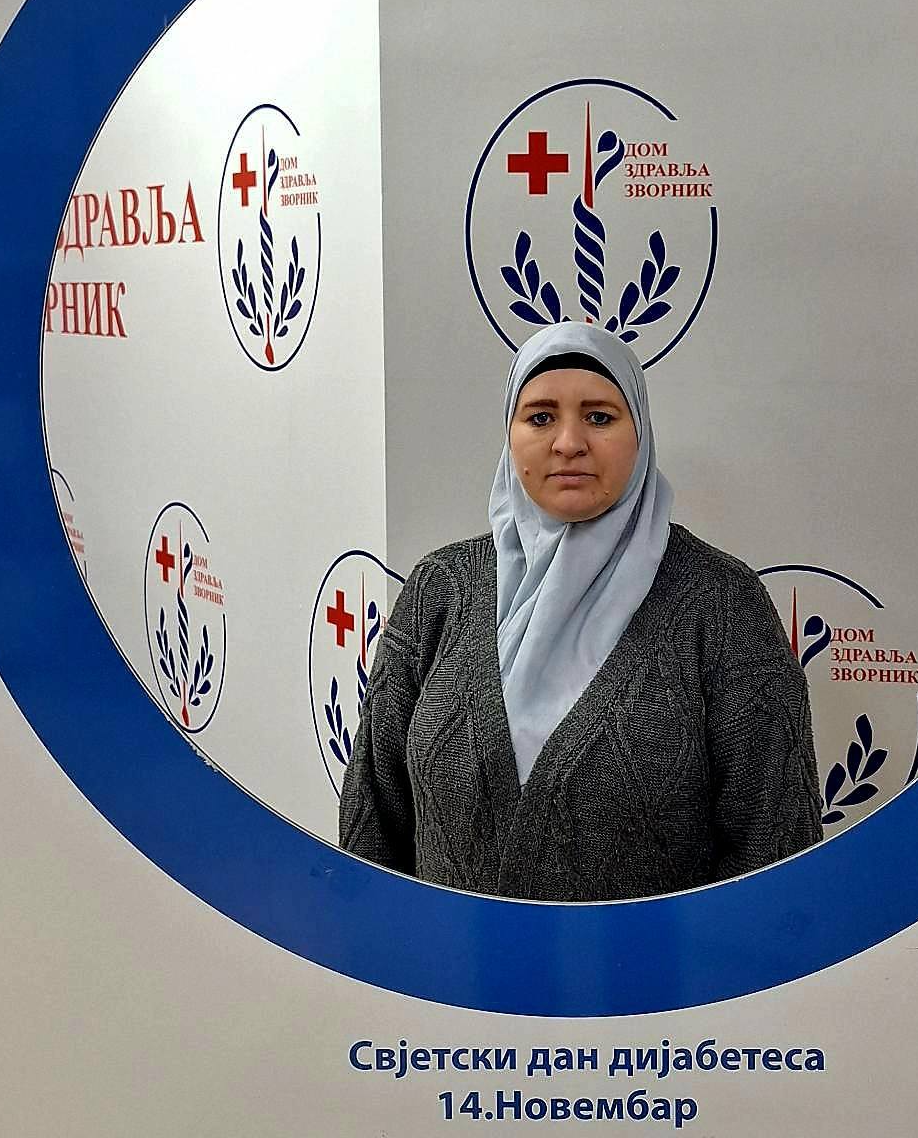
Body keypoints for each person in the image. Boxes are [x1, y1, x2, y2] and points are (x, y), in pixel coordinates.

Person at [339, 322, 822, 900]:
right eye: (540, 417)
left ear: (640, 433)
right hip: (441, 961)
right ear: (509, 434)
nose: (568, 442)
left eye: (599, 416)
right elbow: (373, 823)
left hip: (659, 963)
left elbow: (775, 849)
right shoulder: (439, 590)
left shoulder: (721, 604)